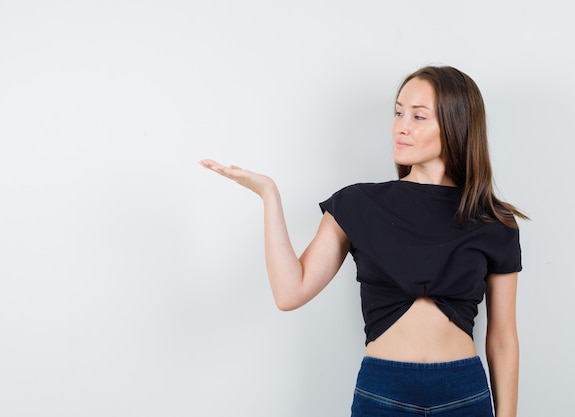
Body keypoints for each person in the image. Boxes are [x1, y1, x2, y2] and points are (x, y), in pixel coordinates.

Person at [200, 65, 526, 417]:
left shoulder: (493, 221)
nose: (401, 126)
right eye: (399, 112)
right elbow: (289, 292)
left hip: (462, 394)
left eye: (418, 116)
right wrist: (269, 195)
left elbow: (503, 338)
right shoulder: (358, 204)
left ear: (456, 125)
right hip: (383, 391)